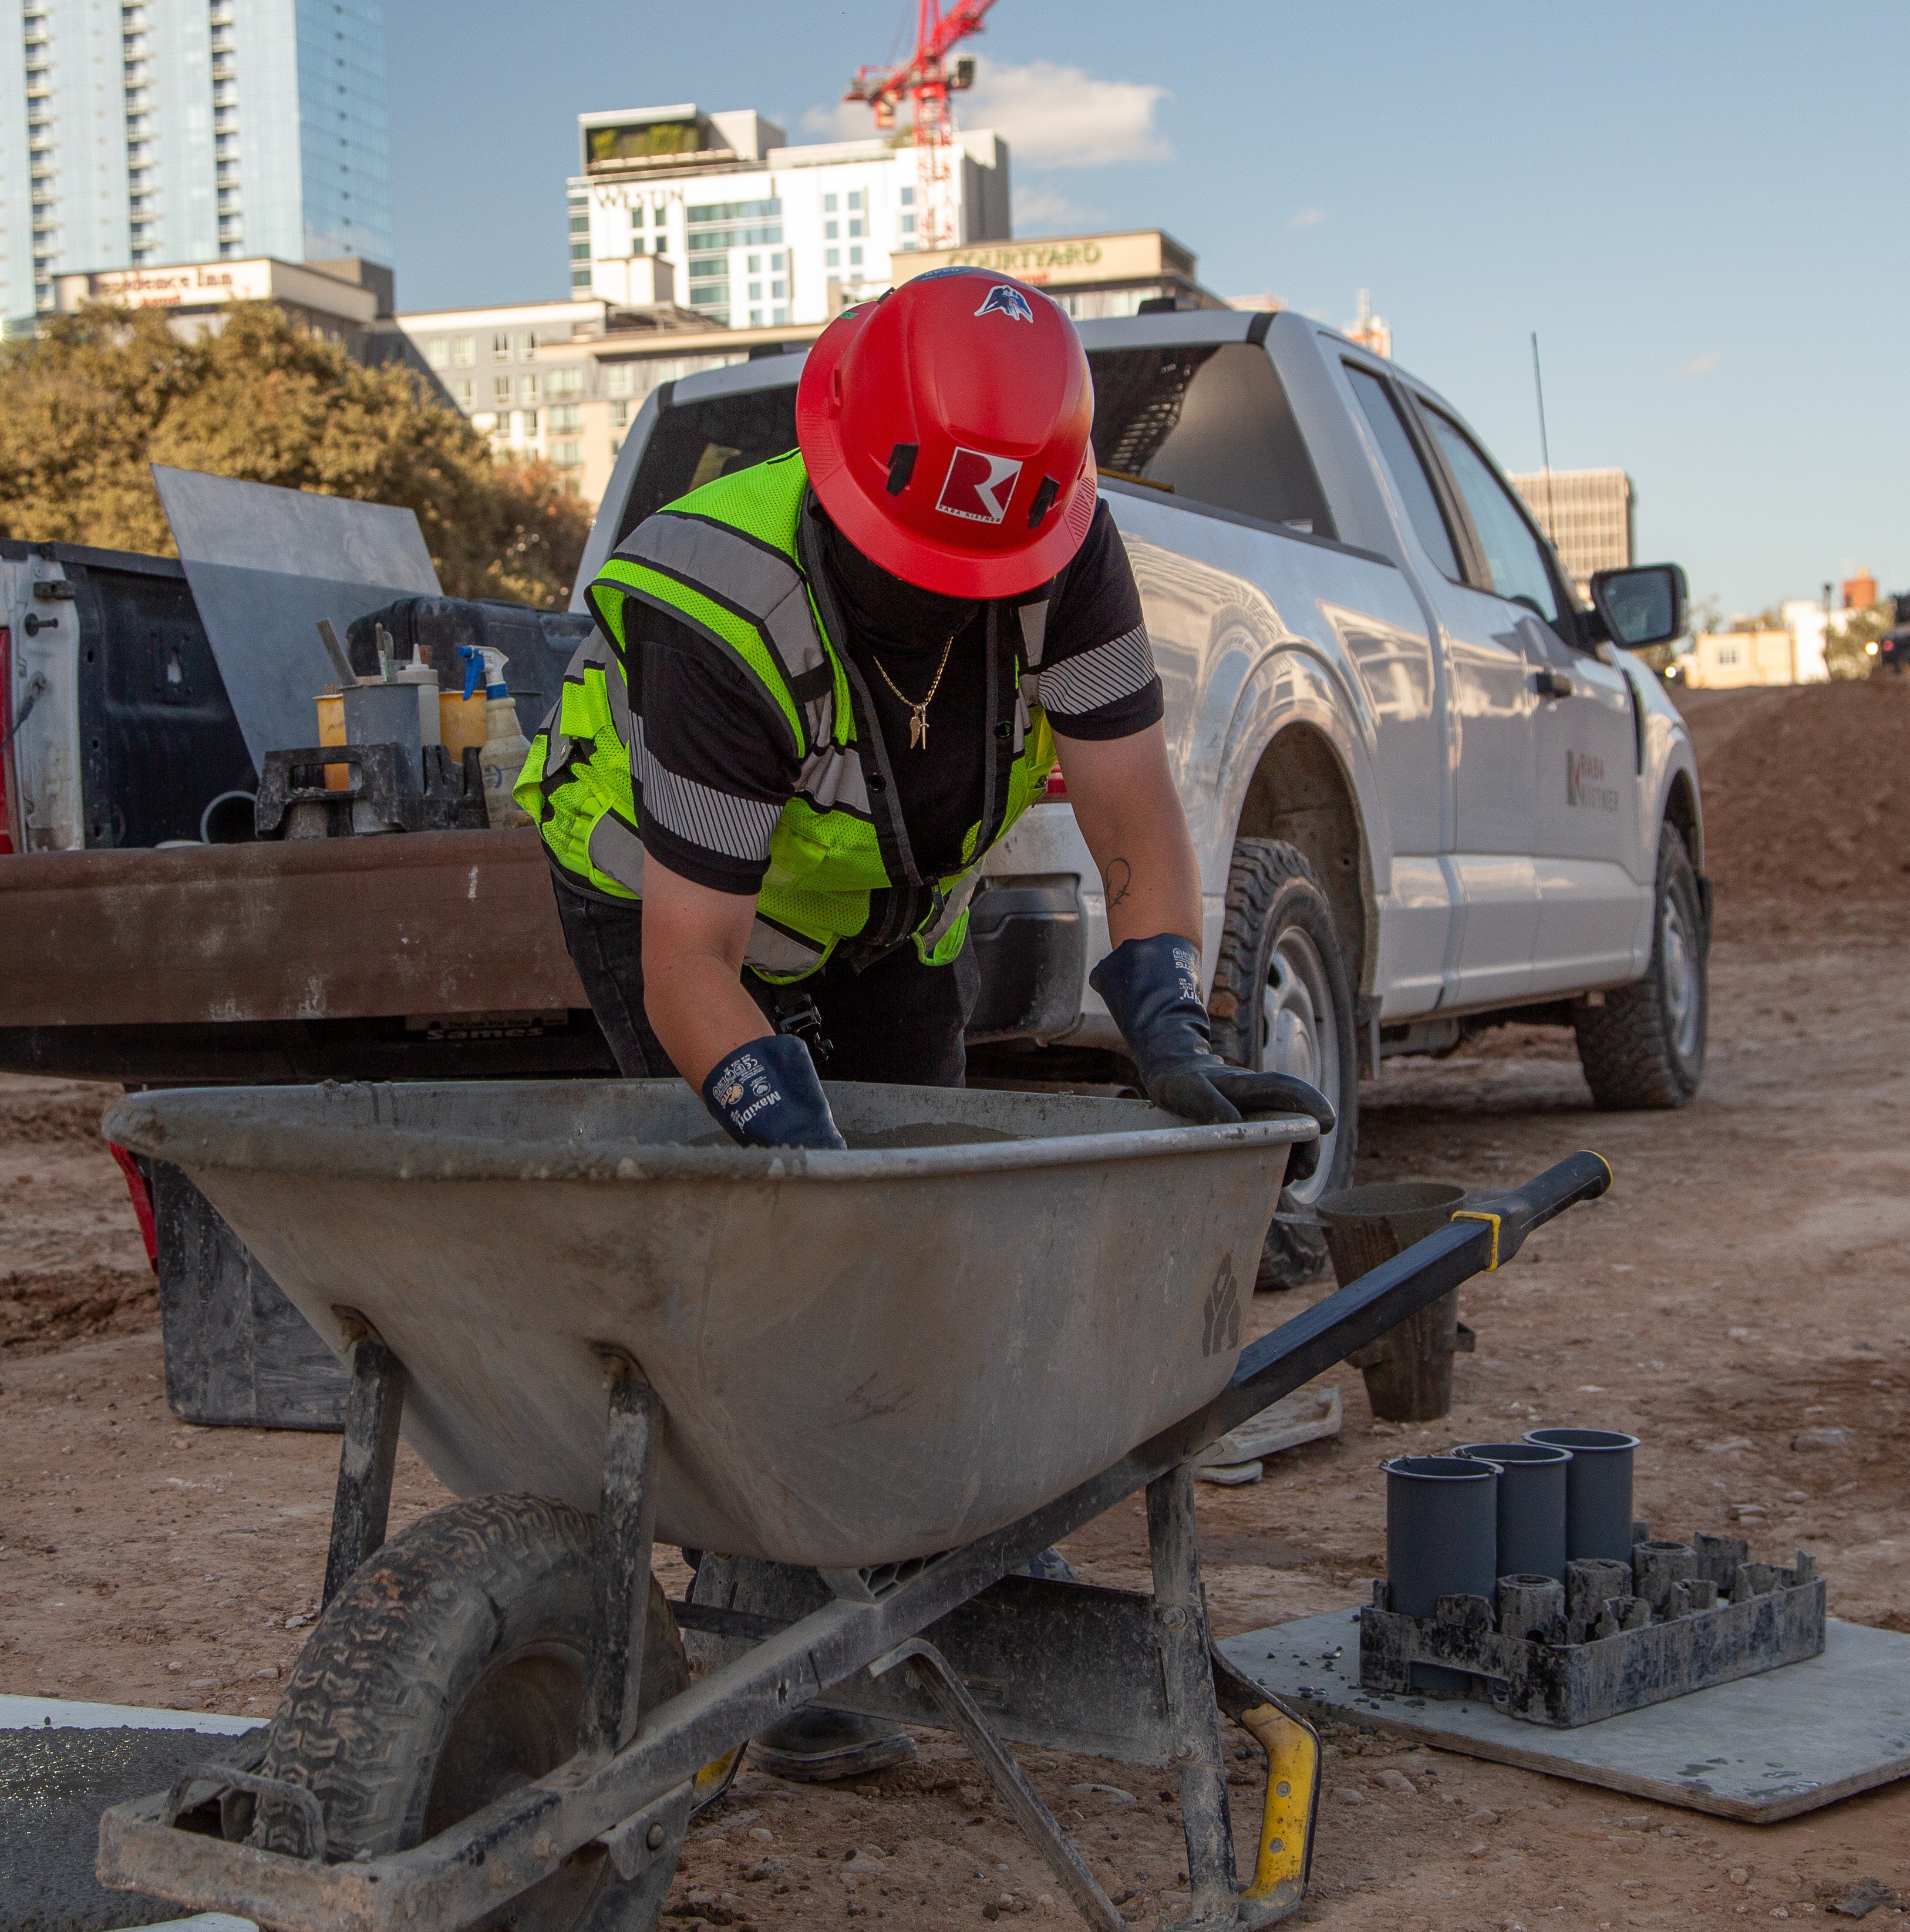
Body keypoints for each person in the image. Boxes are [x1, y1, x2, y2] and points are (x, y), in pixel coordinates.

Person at [520, 268, 1334, 1778]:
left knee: (928, 1260)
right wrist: (799, 1144)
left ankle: (913, 1584)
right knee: (770, 1264)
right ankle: (781, 1642)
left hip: (887, 907)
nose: (960, 595)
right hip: (667, 910)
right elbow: (695, 961)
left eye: (990, 566)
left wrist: (1168, 1018)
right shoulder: (717, 597)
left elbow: (1144, 835)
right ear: (837, 467)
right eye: (922, 566)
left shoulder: (1065, 542)